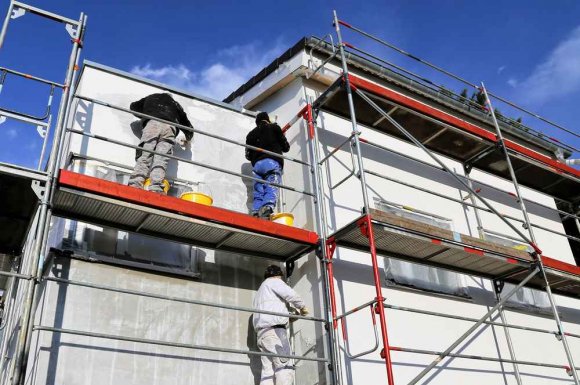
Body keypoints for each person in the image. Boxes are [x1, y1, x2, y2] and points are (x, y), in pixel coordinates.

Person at [253, 265, 309, 385]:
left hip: (262, 335)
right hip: (275, 332)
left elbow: (272, 313)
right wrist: (302, 307)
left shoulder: (260, 292)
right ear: (278, 275)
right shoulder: (274, 282)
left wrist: (290, 317)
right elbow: (291, 294)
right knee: (284, 365)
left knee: (268, 372)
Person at [128, 93, 193, 193]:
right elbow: (187, 126)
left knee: (145, 155)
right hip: (170, 128)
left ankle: (135, 184)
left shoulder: (151, 97)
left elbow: (133, 107)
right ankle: (156, 187)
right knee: (161, 159)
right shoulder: (175, 104)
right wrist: (188, 138)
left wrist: (145, 114)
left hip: (153, 124)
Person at [245, 112, 290, 218]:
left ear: (257, 123)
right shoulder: (274, 127)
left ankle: (255, 211)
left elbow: (248, 155)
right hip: (271, 161)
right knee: (272, 185)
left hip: (257, 165)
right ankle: (267, 207)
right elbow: (286, 147)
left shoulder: (250, 135)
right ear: (267, 120)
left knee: (258, 189)